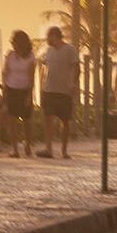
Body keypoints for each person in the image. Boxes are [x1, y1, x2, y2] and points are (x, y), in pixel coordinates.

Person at [38, 25, 78, 158]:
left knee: (65, 121)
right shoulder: (48, 51)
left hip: (64, 91)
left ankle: (64, 150)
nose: (47, 40)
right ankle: (48, 148)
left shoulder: (70, 49)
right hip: (49, 89)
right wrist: (42, 88)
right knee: (47, 118)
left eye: (49, 37)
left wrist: (73, 84)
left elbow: (76, 68)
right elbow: (44, 69)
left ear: (55, 36)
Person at [1, 30, 37, 158]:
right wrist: (4, 93)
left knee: (27, 120)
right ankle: (14, 149)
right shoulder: (10, 55)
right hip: (11, 89)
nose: (13, 44)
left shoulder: (31, 56)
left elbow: (32, 76)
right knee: (12, 119)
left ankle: (27, 144)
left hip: (24, 89)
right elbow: (5, 72)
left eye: (15, 42)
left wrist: (29, 95)